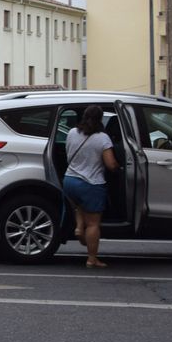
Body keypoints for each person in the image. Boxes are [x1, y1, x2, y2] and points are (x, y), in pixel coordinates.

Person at [63, 105, 119, 269]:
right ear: (100, 119)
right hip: (91, 183)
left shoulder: (72, 132)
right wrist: (118, 168)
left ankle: (79, 228)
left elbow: (68, 154)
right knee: (93, 224)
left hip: (70, 180)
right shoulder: (102, 138)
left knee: (79, 206)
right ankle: (92, 258)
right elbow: (110, 164)